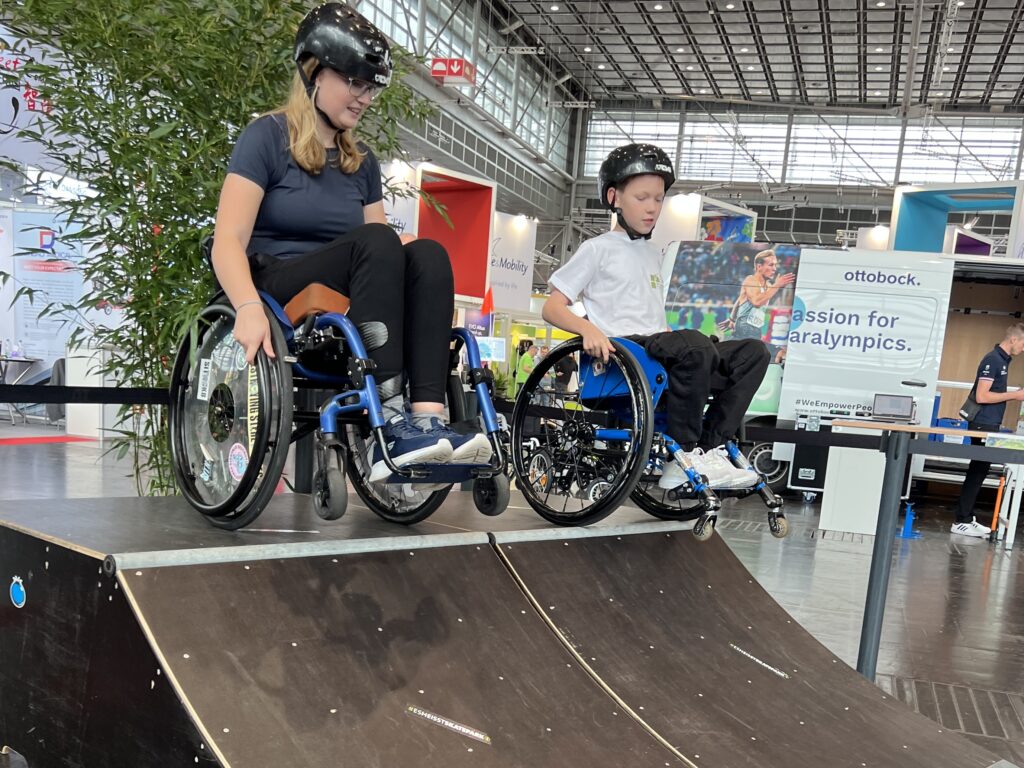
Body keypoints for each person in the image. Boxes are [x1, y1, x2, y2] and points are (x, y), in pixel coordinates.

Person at [210, 3, 490, 482]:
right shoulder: (266, 138)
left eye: (371, 87)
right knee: (379, 241)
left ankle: (425, 417)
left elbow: (384, 253)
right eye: (354, 83)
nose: (364, 98)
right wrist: (249, 306)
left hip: (342, 286)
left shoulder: (361, 163)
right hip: (279, 282)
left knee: (426, 253)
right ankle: (390, 417)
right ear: (314, 72)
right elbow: (226, 242)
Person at [542, 143, 769, 490]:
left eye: (659, 199)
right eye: (642, 198)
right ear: (614, 197)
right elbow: (552, 306)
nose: (652, 208)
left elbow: (652, 317)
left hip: (658, 347)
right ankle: (684, 455)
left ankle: (711, 447)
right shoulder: (597, 249)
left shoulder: (651, 253)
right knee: (694, 346)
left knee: (754, 352)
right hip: (626, 350)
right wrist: (587, 328)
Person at [951, 324, 1024, 537]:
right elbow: (982, 396)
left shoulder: (1002, 361)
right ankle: (961, 520)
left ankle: (966, 517)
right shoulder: (993, 360)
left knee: (980, 470)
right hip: (982, 423)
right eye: (1023, 343)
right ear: (1013, 340)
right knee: (977, 471)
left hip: (990, 423)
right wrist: (1015, 396)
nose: (1023, 348)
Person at [729, 249, 795, 341]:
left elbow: (739, 300)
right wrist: (777, 285)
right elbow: (757, 302)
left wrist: (731, 319)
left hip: (756, 330)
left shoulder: (769, 285)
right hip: (744, 331)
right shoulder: (751, 280)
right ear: (759, 266)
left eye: (775, 265)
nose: (775, 269)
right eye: (771, 265)